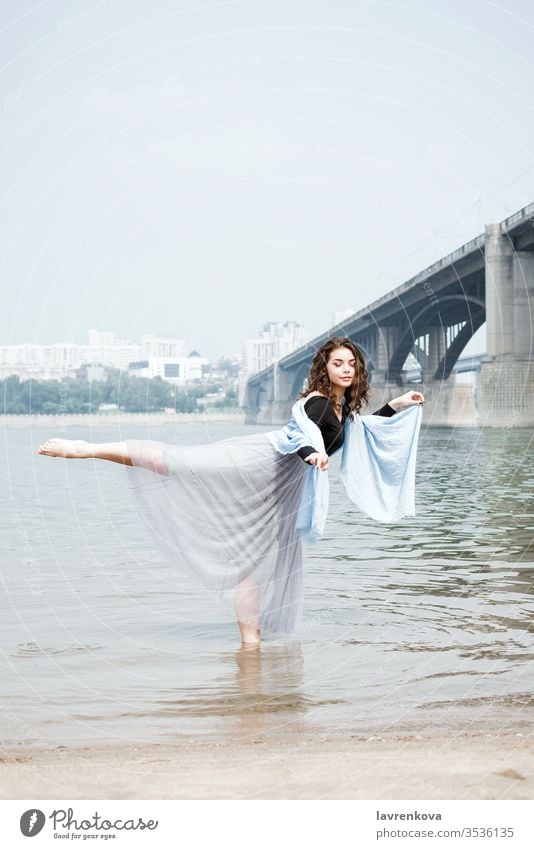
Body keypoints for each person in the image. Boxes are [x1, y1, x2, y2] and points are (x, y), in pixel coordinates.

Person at [38, 336, 424, 646]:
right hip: (260, 462)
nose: (345, 369)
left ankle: (250, 649)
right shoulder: (317, 402)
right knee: (179, 461)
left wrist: (400, 403)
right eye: (337, 363)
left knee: (254, 566)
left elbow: (365, 429)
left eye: (351, 364)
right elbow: (301, 433)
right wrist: (312, 456)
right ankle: (86, 449)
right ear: (324, 369)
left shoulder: (342, 413)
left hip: (278, 491)